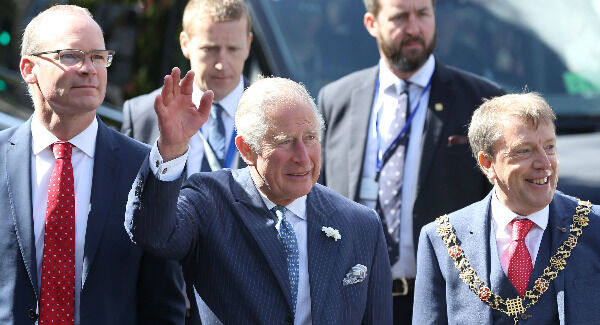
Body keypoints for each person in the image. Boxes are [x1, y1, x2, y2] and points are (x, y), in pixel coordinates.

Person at [124, 72, 393, 324]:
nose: (302, 156)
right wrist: (172, 148)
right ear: (247, 150)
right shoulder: (209, 202)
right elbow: (153, 234)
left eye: (310, 138)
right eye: (285, 141)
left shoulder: (361, 224)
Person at [317, 0, 504, 320]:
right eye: (400, 16)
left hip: (444, 302)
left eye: (423, 14)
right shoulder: (335, 99)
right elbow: (318, 200)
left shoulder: (481, 100)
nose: (414, 28)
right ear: (371, 23)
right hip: (352, 301)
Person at [0, 5, 186, 324]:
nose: (90, 68)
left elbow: (164, 302)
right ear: (29, 68)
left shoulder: (143, 166)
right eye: (72, 55)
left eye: (99, 57)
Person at [413, 93, 600, 324]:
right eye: (524, 150)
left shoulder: (595, 226)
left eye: (549, 147)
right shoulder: (441, 239)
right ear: (487, 163)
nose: (544, 163)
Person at [121, 0, 252, 176]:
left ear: (248, 44)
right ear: (185, 44)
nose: (222, 64)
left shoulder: (276, 116)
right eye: (210, 49)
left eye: (233, 49)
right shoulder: (143, 116)